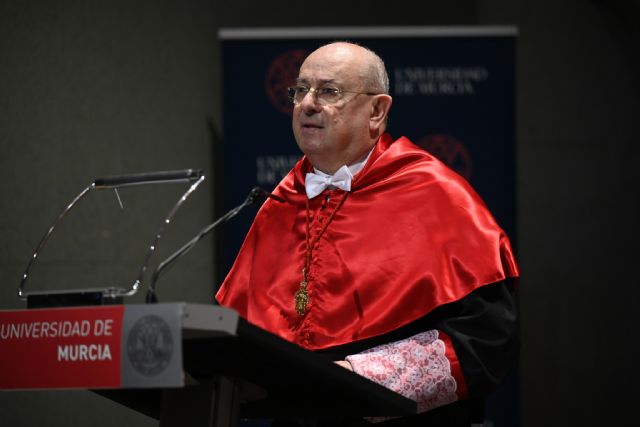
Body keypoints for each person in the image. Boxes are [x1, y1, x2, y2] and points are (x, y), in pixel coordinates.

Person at [216, 42, 519, 426]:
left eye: (329, 91)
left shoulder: (435, 193)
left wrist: (357, 378)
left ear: (377, 111)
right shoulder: (280, 202)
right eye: (299, 90)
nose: (307, 103)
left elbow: (487, 340)